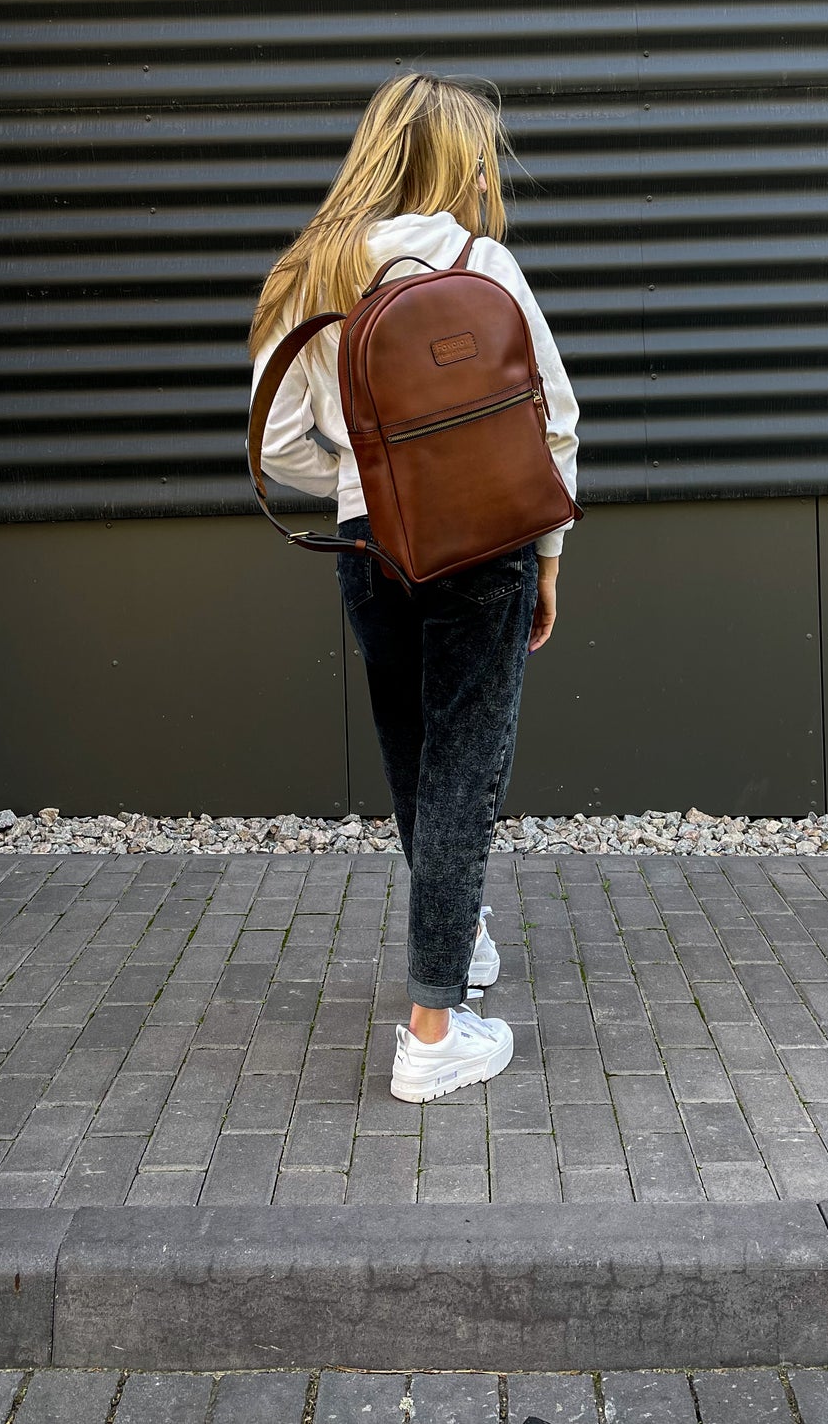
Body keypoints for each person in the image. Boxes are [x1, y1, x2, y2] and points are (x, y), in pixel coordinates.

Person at [246, 72, 581, 1103]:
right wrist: (551, 557)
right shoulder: (481, 263)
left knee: (416, 756)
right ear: (454, 163)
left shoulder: (311, 271)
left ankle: (460, 933)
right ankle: (434, 1028)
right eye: (481, 155)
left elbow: (276, 440)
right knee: (464, 769)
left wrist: (363, 480)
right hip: (482, 544)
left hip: (366, 546)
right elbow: (552, 418)